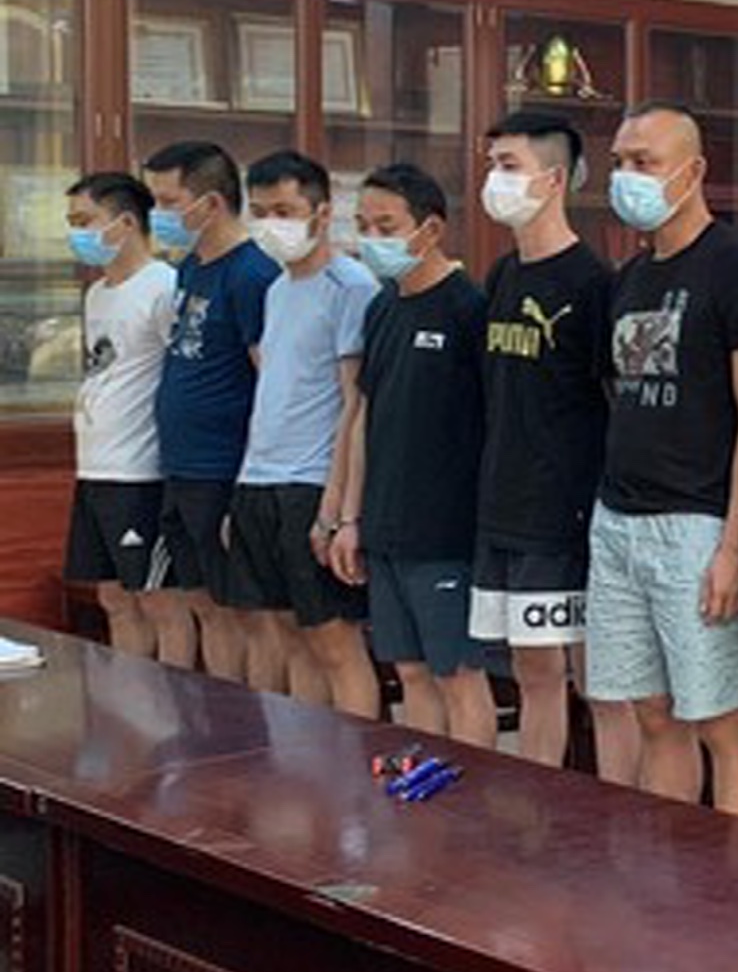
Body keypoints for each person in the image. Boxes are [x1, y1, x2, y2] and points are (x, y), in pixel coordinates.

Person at [588, 103, 738, 817]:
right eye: (620, 162)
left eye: (646, 162)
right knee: (651, 712)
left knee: (721, 717)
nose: (628, 176)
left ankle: (734, 870)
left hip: (697, 524)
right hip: (619, 518)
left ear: (693, 171)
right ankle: (665, 868)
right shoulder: (630, 277)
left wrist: (734, 544)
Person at [326, 164, 501, 746]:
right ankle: (429, 785)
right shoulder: (382, 308)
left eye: (386, 226)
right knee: (411, 673)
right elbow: (364, 416)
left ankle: (472, 793)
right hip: (384, 527)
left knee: (458, 675)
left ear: (430, 230)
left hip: (446, 533)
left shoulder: (469, 308)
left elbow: (495, 421)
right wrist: (350, 519)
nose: (372, 239)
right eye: (363, 226)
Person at [471, 112, 622, 777]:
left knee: (595, 677)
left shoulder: (591, 283)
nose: (494, 180)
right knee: (529, 667)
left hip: (563, 510)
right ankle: (537, 803)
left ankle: (614, 813)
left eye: (509, 166)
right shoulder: (502, 276)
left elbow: (612, 400)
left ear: (554, 179)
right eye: (492, 165)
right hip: (501, 503)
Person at [229, 151, 378, 712]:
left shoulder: (351, 286)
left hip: (310, 484)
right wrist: (245, 484)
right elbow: (274, 392)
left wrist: (335, 509)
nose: (272, 224)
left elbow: (354, 404)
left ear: (322, 213)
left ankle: (351, 762)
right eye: (261, 211)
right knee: (286, 636)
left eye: (285, 211)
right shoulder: (277, 288)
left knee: (334, 644)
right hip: (260, 481)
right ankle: (301, 756)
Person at [140, 141, 278, 683]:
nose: (158, 215)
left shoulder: (251, 274)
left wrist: (248, 479)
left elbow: (270, 381)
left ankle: (254, 720)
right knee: (201, 603)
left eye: (168, 202)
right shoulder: (190, 267)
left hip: (224, 467)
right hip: (182, 465)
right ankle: (223, 715)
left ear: (212, 203)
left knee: (246, 612)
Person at [61, 172, 177, 657]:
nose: (76, 233)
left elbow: (180, 374)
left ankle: (174, 698)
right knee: (113, 598)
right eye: (72, 223)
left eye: (85, 221)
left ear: (126, 223)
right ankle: (130, 697)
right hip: (95, 467)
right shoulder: (98, 293)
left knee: (157, 601)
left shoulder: (164, 286)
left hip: (139, 470)